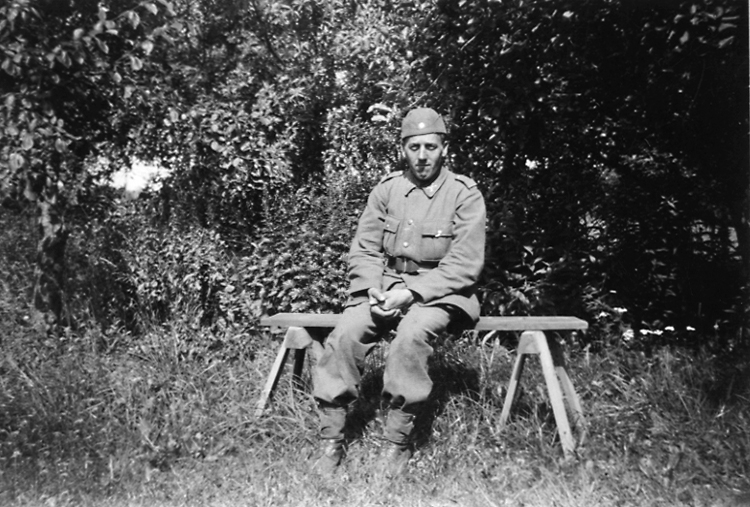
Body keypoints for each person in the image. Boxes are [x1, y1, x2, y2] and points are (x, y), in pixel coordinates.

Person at [311, 107, 486, 476]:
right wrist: (373, 290)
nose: (422, 156)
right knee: (345, 333)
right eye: (413, 147)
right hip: (385, 287)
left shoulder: (464, 194)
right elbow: (364, 249)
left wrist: (412, 293)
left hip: (442, 292)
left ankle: (397, 442)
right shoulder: (387, 189)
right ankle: (331, 440)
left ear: (444, 148)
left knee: (410, 337)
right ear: (402, 149)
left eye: (430, 147)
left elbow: (465, 263)